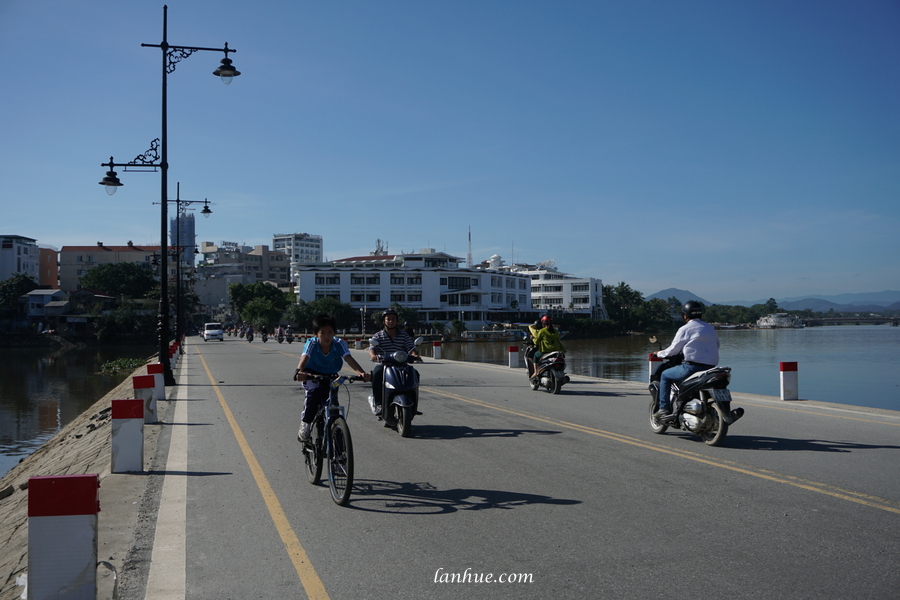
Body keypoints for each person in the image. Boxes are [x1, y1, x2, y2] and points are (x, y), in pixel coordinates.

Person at [294, 313, 370, 441]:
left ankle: (337, 439)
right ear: (316, 334)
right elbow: (304, 358)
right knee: (314, 392)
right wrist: (299, 372)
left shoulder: (339, 343)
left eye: (330, 332)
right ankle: (305, 424)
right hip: (311, 374)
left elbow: (348, 358)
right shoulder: (312, 343)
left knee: (333, 404)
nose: (327, 336)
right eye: (322, 332)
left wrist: (362, 373)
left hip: (331, 375)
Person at [651, 301, 719, 418]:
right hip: (711, 369)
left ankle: (664, 408)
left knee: (665, 375)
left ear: (685, 315)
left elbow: (673, 350)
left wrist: (659, 354)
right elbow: (716, 345)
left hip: (692, 368)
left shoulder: (685, 329)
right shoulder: (709, 328)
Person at [368, 308, 420, 415]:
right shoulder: (378, 335)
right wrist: (373, 356)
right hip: (384, 364)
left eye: (393, 319)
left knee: (415, 374)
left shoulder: (404, 335)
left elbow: (410, 347)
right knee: (377, 373)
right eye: (388, 319)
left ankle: (413, 404)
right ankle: (378, 403)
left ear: (397, 321)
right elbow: (372, 348)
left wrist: (415, 355)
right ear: (384, 321)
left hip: (401, 364)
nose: (391, 321)